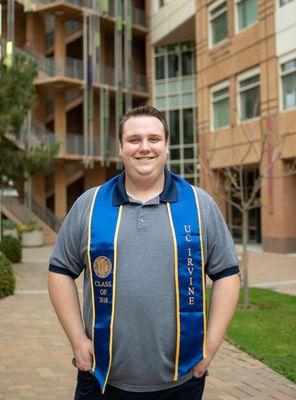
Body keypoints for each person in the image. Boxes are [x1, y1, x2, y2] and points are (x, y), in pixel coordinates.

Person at [48, 105, 240, 400]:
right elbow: (60, 271)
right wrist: (77, 340)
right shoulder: (90, 204)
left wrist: (210, 347)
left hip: (182, 379)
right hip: (100, 377)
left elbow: (227, 274)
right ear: (120, 147)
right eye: (134, 139)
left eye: (154, 139)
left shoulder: (200, 205)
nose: (144, 148)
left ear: (166, 146)